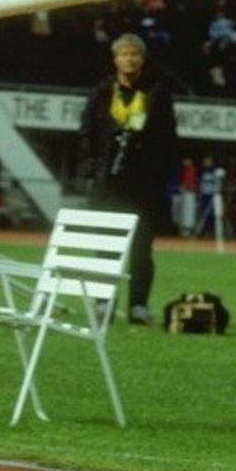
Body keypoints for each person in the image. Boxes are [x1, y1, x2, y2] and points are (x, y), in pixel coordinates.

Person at [77, 32, 180, 325]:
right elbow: (86, 133)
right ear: (115, 59)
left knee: (141, 248)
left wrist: (161, 173)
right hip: (108, 183)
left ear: (142, 59)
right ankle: (103, 303)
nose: (129, 59)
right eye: (124, 54)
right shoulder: (102, 92)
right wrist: (91, 168)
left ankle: (138, 305)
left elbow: (170, 138)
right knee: (105, 247)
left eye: (134, 54)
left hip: (144, 185)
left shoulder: (157, 94)